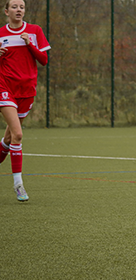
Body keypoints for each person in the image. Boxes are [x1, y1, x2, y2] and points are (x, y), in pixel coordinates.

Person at [0, 0, 50, 201]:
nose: (18, 10)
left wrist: (29, 43)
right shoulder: (1, 33)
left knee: (9, 139)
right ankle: (19, 184)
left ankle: (3, 148)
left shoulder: (35, 30)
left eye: (21, 7)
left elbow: (44, 61)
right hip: (4, 88)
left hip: (27, 90)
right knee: (18, 134)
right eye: (14, 6)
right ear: (6, 11)